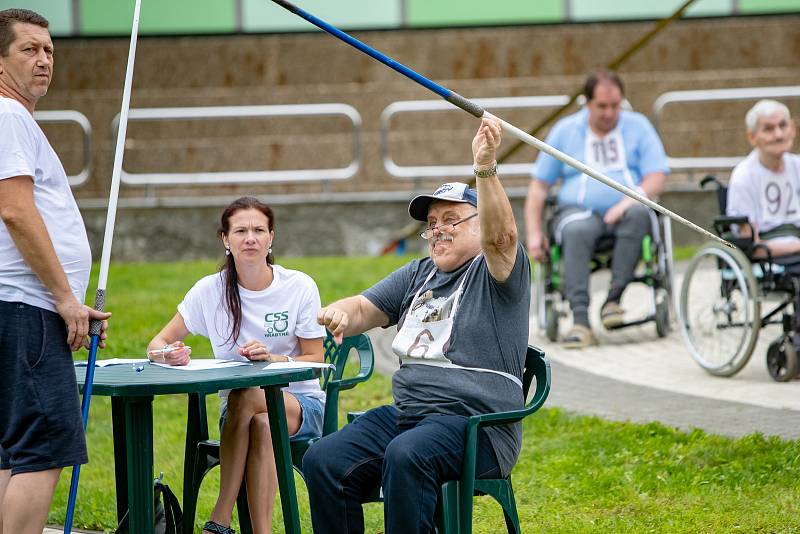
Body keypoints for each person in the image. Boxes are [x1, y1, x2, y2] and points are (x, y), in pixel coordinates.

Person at [303, 117, 530, 534]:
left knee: (407, 455)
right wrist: (340, 312)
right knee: (323, 460)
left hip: (476, 425)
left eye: (451, 219)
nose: (438, 229)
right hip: (412, 415)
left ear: (479, 224)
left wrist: (485, 168)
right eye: (431, 223)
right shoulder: (417, 274)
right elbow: (361, 309)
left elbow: (503, 238)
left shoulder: (497, 271)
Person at [147, 196, 326, 534]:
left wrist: (270, 358)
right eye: (241, 230)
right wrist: (166, 354)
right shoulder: (209, 291)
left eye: (259, 230)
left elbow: (316, 359)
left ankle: (220, 517)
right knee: (259, 423)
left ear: (272, 237)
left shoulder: (299, 286)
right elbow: (156, 343)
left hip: (300, 405)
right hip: (241, 420)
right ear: (225, 239)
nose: (250, 238)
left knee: (245, 397)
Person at [0, 9, 111, 534]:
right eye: (29, 50)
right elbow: (17, 211)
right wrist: (64, 297)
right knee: (41, 447)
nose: (44, 60)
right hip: (27, 309)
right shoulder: (9, 117)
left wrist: (70, 298)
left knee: (12, 450)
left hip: (22, 305)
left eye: (48, 51)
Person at [524, 69, 670, 348]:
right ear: (587, 103)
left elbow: (657, 175)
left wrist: (628, 200)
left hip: (628, 209)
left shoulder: (638, 126)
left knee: (640, 213)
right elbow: (539, 186)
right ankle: (580, 321)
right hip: (577, 211)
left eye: (615, 106)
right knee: (577, 229)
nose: (609, 113)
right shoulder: (565, 131)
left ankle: (613, 300)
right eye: (602, 106)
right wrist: (532, 233)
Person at [726, 99, 799, 256]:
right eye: (768, 129)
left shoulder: (797, 167)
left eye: (783, 126)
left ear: (793, 129)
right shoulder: (743, 177)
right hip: (768, 258)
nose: (778, 135)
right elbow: (753, 247)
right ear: (752, 137)